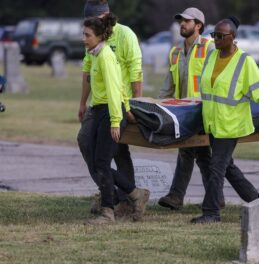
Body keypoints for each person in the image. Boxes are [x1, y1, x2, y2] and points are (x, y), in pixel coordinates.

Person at [190, 17, 259, 224]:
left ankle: (211, 213)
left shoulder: (245, 61)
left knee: (216, 167)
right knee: (228, 167)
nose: (215, 39)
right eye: (213, 35)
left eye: (220, 36)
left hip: (231, 125)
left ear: (233, 37)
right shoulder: (211, 57)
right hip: (213, 123)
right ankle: (256, 200)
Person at [77, 0, 147, 217]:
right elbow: (88, 73)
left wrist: (134, 106)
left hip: (118, 106)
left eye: (94, 22)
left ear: (105, 17)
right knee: (87, 144)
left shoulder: (124, 36)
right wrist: (82, 103)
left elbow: (135, 70)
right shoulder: (94, 45)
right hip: (98, 105)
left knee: (115, 153)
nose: (87, 32)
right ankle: (115, 192)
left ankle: (122, 199)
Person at [158, 7, 226, 210]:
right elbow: (168, 83)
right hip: (184, 111)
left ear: (198, 26)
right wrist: (159, 104)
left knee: (192, 151)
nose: (182, 24)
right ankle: (212, 197)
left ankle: (178, 195)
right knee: (198, 153)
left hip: (203, 110)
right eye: (181, 20)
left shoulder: (210, 48)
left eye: (187, 21)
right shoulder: (176, 51)